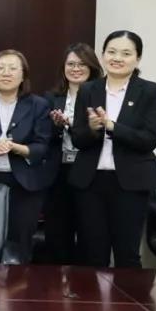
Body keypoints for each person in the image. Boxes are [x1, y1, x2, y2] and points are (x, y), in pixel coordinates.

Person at [70, 30, 156, 268]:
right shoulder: (88, 90)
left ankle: (127, 295)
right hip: (90, 182)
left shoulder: (151, 91)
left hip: (131, 183)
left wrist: (112, 126)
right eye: (111, 52)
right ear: (103, 55)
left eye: (126, 53)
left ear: (138, 58)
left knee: (127, 254)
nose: (117, 58)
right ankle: (93, 295)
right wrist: (93, 129)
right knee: (92, 253)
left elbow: (148, 140)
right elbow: (78, 139)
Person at [0, 49, 51, 263]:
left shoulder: (38, 105)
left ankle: (19, 284)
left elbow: (42, 146)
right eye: (0, 68)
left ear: (23, 75)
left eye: (13, 68)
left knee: (19, 244)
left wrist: (17, 148)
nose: (6, 73)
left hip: (24, 184)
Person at [42, 43, 102, 264]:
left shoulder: (101, 97)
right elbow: (42, 136)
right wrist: (57, 125)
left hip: (89, 170)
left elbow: (101, 134)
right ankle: (57, 280)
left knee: (89, 231)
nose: (76, 69)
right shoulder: (51, 98)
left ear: (92, 68)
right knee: (57, 232)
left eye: (82, 64)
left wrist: (71, 124)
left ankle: (86, 281)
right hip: (58, 170)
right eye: (71, 64)